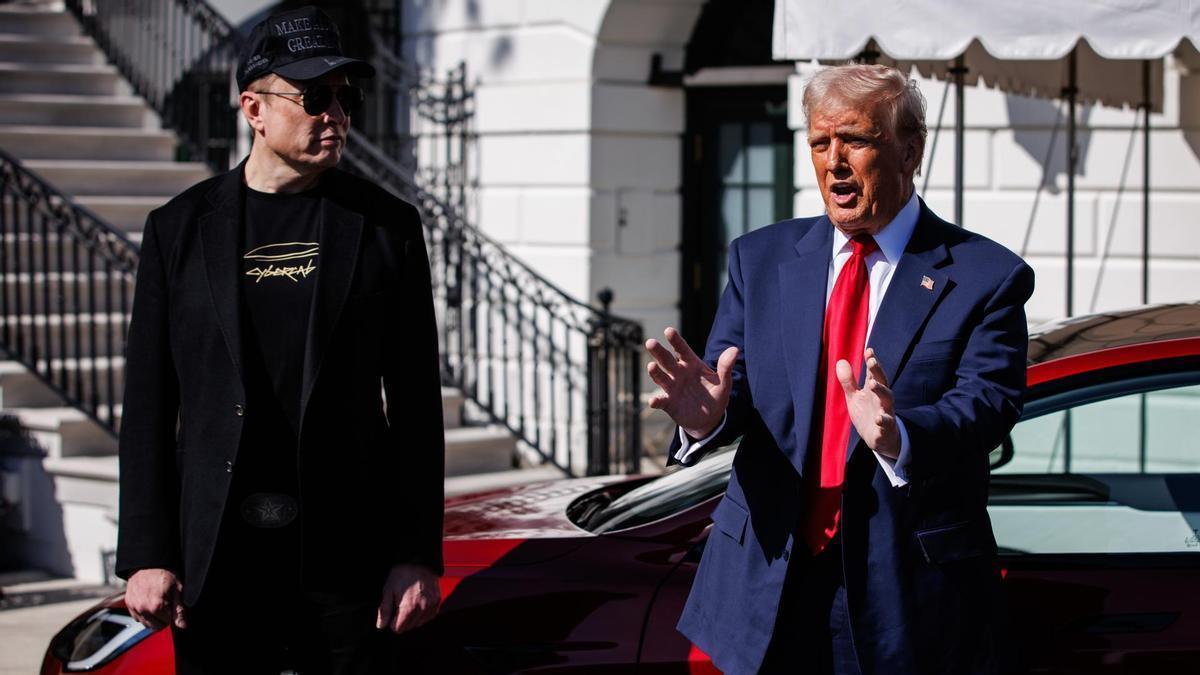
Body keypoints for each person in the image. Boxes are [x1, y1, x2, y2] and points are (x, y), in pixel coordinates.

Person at [645, 64, 1033, 674]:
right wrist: (707, 420)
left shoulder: (985, 276)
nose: (835, 162)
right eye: (820, 144)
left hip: (903, 595)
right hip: (766, 585)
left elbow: (989, 404)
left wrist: (900, 435)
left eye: (855, 139)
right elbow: (733, 384)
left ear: (910, 151)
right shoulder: (761, 257)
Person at [114, 7, 445, 673]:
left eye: (346, 97)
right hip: (218, 559)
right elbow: (149, 402)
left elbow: (415, 403)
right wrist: (147, 551)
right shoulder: (177, 230)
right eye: (313, 96)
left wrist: (415, 551)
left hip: (346, 562)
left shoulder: (387, 227)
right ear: (253, 109)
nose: (335, 114)